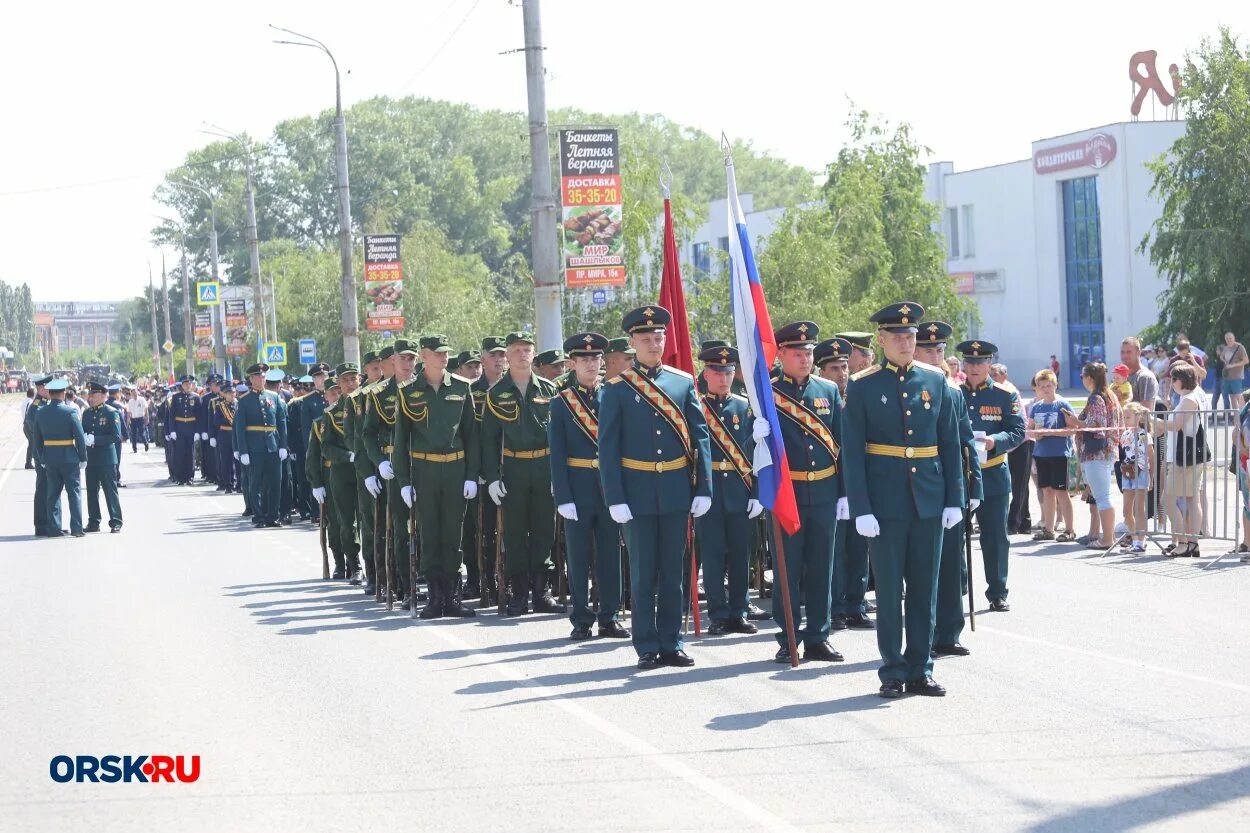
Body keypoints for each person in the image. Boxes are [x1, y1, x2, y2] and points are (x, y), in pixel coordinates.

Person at [843, 301, 963, 698]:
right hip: (886, 504)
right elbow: (854, 452)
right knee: (891, 591)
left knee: (925, 589)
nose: (906, 342)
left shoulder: (935, 381)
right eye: (898, 336)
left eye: (911, 335)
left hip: (928, 499)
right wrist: (861, 507)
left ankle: (920, 668)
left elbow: (950, 443)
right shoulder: (863, 384)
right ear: (881, 340)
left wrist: (953, 499)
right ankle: (892, 669)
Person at [599, 305, 712, 669]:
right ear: (632, 342)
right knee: (644, 572)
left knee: (674, 572)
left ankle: (672, 642)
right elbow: (608, 448)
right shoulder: (617, 389)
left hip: (677, 489)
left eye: (658, 337)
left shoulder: (681, 382)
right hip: (637, 493)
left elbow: (701, 438)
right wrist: (615, 496)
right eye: (645, 338)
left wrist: (704, 487)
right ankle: (646, 644)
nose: (652, 343)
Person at [764, 321, 846, 663]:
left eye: (809, 353)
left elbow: (841, 443)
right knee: (788, 568)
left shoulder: (827, 390)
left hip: (825, 490)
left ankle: (818, 636)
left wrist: (843, 492)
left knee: (821, 567)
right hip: (789, 493)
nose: (805, 359)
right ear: (781, 354)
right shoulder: (767, 392)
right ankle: (789, 637)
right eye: (798, 353)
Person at [548, 332, 630, 639]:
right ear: (572, 363)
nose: (592, 364)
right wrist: (563, 495)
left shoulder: (613, 395)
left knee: (611, 553)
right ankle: (581, 618)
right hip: (578, 486)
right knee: (578, 556)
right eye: (584, 359)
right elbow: (557, 454)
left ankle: (609, 616)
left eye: (596, 358)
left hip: (609, 487)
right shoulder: (561, 403)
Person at [392, 337, 479, 617]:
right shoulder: (407, 392)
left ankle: (452, 597)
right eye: (438, 353)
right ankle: (435, 597)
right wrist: (404, 482)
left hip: (455, 468)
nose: (444, 358)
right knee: (429, 534)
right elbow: (400, 440)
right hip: (425, 470)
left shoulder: (462, 387)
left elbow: (471, 435)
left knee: (453, 533)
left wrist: (471, 475)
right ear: (424, 355)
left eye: (446, 353)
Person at [481, 332, 564, 616]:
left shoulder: (549, 390)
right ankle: (518, 592)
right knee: (515, 532)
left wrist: (558, 474)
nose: (521, 354)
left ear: (533, 353)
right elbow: (488, 440)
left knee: (544, 529)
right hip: (513, 469)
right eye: (515, 350)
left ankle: (541, 592)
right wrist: (492, 477)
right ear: (507, 354)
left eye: (527, 349)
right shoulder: (496, 394)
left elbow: (559, 435)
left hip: (543, 466)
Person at [915, 321, 982, 657]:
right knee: (924, 568)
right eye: (929, 349)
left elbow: (965, 443)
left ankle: (948, 632)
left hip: (949, 487)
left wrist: (973, 489)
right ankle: (923, 634)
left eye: (940, 349)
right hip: (918, 487)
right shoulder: (908, 390)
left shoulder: (952, 390)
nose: (936, 354)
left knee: (953, 564)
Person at [959, 340, 1026, 611]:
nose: (975, 367)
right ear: (964, 364)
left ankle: (997, 591)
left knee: (995, 537)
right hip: (960, 475)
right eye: (970, 362)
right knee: (955, 535)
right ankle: (958, 586)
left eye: (980, 362)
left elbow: (1018, 431)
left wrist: (994, 440)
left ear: (989, 364)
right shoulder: (953, 393)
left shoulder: (1003, 395)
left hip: (992, 474)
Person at [817, 337, 873, 629]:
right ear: (822, 372)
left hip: (859, 484)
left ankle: (856, 604)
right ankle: (835, 606)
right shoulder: (819, 401)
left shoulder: (858, 397)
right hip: (831, 485)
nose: (843, 373)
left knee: (859, 547)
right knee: (835, 551)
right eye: (835, 369)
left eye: (844, 367)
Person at [364, 342, 417, 605]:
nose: (408, 364)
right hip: (393, 467)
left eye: (412, 359)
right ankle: (406, 586)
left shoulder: (423, 388)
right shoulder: (379, 394)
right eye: (403, 359)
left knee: (425, 528)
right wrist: (377, 463)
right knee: (400, 529)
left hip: (422, 464)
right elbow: (368, 433)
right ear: (393, 361)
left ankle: (428, 581)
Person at [1063, 363, 1120, 550]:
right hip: (1106, 451)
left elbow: (1095, 424)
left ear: (1089, 378)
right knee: (1103, 496)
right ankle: (1107, 537)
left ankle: (1107, 539)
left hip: (1097, 452)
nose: (1082, 380)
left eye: (1082, 376)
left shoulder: (1096, 398)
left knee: (1102, 497)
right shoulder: (1109, 395)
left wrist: (1074, 422)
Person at [344, 351, 385, 596]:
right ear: (365, 373)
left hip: (390, 463)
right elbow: (352, 437)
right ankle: (374, 573)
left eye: (381, 366)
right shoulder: (356, 399)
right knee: (371, 524)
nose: (378, 371)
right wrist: (366, 468)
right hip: (366, 467)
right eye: (373, 367)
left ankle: (396, 575)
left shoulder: (394, 392)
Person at [1154, 363, 1206, 557]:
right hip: (1189, 456)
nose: (1171, 383)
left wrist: (1154, 421)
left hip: (1185, 457)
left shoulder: (1189, 399)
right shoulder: (1190, 398)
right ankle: (1191, 543)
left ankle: (1184, 542)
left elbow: (1176, 425)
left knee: (1168, 499)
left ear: (1181, 380)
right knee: (1192, 499)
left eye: (1173, 379)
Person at [235, 363, 289, 529]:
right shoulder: (244, 401)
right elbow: (240, 428)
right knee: (255, 483)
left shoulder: (273, 397)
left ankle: (272, 516)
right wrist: (242, 450)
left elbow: (281, 421)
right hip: (254, 447)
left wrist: (283, 445)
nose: (261, 378)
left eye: (263, 375)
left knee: (275, 482)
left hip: (272, 446)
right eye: (257, 376)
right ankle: (259, 516)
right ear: (251, 379)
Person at [33, 378, 87, 538]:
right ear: (63, 394)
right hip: (69, 458)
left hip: (50, 458)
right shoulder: (70, 412)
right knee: (74, 493)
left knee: (53, 494)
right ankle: (76, 528)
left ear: (49, 394)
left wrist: (42, 457)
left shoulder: (41, 412)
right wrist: (83, 457)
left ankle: (54, 528)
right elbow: (79, 437)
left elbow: (37, 438)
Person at [1028, 369, 1076, 542]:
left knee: (1061, 492)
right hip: (1041, 453)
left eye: (1049, 385)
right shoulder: (1036, 407)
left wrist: (1052, 432)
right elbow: (1031, 429)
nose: (1046, 389)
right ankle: (1048, 529)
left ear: (1055, 385)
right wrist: (1037, 434)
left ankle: (1069, 529)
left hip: (1059, 454)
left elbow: (1072, 429)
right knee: (1047, 491)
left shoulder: (1063, 405)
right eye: (1042, 386)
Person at [81, 382, 123, 533]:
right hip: (91, 458)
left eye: (94, 395)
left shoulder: (111, 412)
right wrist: (84, 440)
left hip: (106, 458)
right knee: (92, 491)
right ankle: (93, 522)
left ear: (103, 396)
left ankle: (116, 521)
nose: (91, 398)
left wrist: (95, 439)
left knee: (110, 491)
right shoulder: (87, 413)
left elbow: (116, 436)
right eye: (90, 395)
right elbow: (83, 431)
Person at [1119, 402, 1154, 553]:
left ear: (1138, 417)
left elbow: (1151, 458)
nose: (1125, 420)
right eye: (1124, 417)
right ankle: (1134, 539)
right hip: (1128, 473)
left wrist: (1151, 476)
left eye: (1128, 417)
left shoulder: (1144, 435)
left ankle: (1141, 541)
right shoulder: (1125, 434)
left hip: (1141, 472)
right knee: (1127, 511)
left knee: (1139, 508)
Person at [164, 376, 199, 486]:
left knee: (190, 453)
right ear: (182, 385)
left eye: (189, 384)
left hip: (191, 427)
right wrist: (172, 430)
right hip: (179, 427)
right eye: (186, 384)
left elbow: (199, 417)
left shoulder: (196, 398)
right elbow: (171, 416)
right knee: (180, 453)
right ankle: (180, 477)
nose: (188, 386)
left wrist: (198, 431)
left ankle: (190, 477)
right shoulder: (176, 397)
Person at [1217, 332, 1247, 411]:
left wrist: (1233, 365)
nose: (1228, 340)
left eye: (1230, 338)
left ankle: (1243, 415)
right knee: (1232, 397)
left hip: (1236, 376)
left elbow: (1246, 360)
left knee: (1238, 396)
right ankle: (1236, 418)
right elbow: (1221, 356)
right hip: (1227, 377)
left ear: (1234, 338)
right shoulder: (1226, 348)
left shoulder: (1240, 347)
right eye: (1227, 339)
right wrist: (1225, 361)